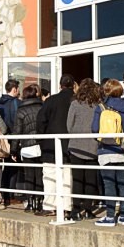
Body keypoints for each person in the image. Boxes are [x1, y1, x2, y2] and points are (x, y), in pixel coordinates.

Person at [92, 78, 124, 226]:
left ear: (106, 91)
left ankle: (109, 216)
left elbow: (95, 130)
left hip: (106, 150)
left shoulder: (101, 107)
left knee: (109, 184)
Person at [38, 74, 76, 214]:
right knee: (67, 176)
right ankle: (67, 206)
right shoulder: (76, 100)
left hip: (50, 144)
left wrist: (41, 140)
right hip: (70, 144)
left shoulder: (51, 100)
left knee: (50, 176)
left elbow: (41, 121)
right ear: (73, 85)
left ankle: (49, 206)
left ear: (60, 85)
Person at [67, 78, 104, 220]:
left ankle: (76, 210)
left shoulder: (75, 104)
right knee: (91, 181)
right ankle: (88, 209)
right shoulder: (99, 106)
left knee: (77, 180)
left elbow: (69, 126)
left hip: (76, 146)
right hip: (93, 147)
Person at [13, 84, 44, 213]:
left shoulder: (20, 110)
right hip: (41, 145)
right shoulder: (42, 107)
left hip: (26, 147)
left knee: (29, 176)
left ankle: (30, 203)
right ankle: (39, 202)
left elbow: (17, 132)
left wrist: (13, 150)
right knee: (39, 175)